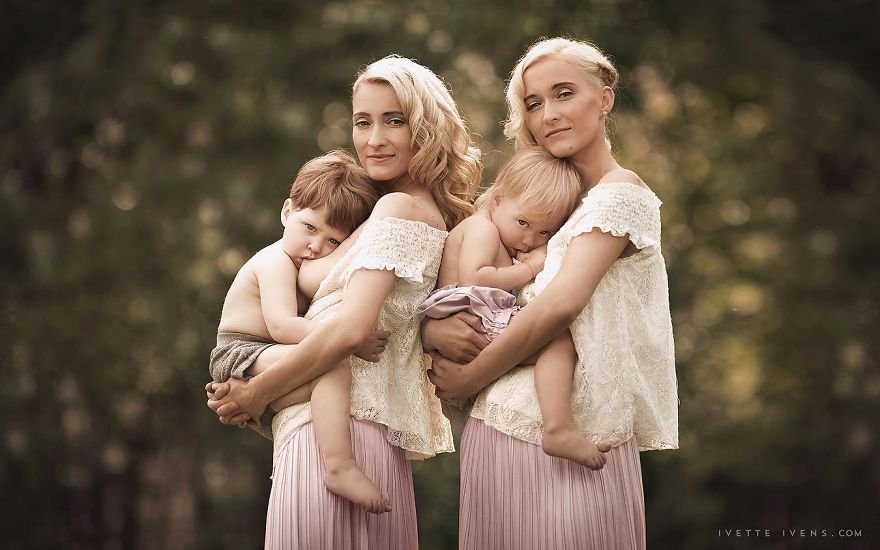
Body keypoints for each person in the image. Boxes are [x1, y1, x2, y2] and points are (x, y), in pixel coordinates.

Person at [207, 55, 482, 548]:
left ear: (426, 127)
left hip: (336, 437)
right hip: (349, 432)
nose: (373, 139)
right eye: (362, 122)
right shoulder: (404, 213)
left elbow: (353, 329)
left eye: (394, 121)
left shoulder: (399, 209)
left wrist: (256, 392)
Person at [424, 37, 679, 549]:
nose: (549, 114)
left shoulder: (619, 195)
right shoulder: (536, 204)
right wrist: (434, 326)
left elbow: (562, 303)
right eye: (534, 103)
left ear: (604, 98)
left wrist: (469, 375)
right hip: (501, 428)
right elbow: (466, 276)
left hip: (577, 431)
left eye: (564, 94)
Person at [209, 150, 397, 513]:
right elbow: (281, 325)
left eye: (332, 242)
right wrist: (348, 338)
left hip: (259, 355)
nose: (316, 246)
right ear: (287, 212)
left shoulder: (297, 263)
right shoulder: (275, 260)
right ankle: (339, 466)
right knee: (334, 364)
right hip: (243, 350)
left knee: (319, 380)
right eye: (310, 228)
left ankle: (253, 401)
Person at [417, 145, 608, 469]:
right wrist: (530, 268)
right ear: (497, 200)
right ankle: (558, 427)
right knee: (557, 340)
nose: (529, 239)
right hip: (473, 316)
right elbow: (475, 277)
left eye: (544, 232)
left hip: (472, 318)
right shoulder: (482, 228)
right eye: (523, 222)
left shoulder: (499, 232)